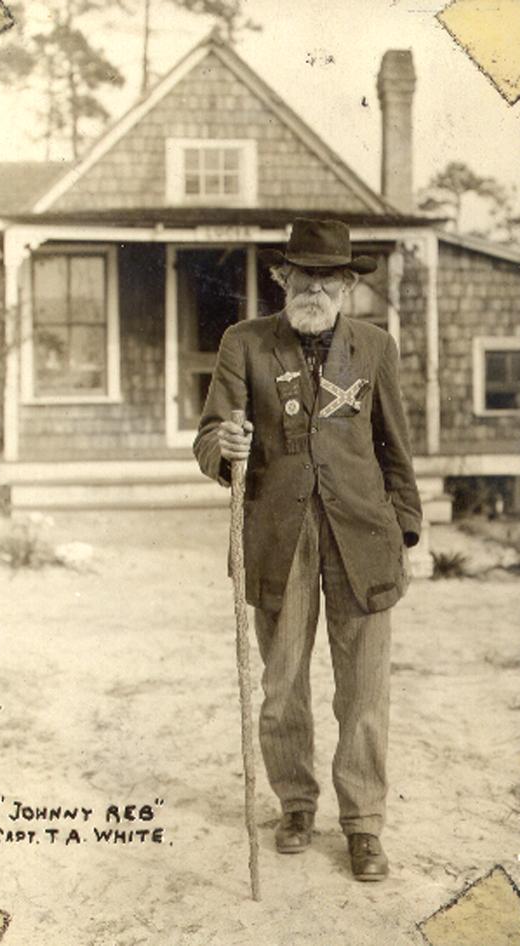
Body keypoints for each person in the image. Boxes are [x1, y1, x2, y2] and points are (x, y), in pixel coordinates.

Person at [193, 218, 422, 882]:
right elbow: (212, 433)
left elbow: (395, 450)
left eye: (327, 277)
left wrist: (402, 531)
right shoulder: (245, 343)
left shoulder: (375, 347)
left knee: (364, 693)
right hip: (278, 539)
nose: (313, 287)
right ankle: (296, 806)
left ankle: (363, 826)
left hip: (362, 540)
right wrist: (222, 449)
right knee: (282, 685)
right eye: (302, 275)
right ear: (280, 278)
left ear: (347, 284)